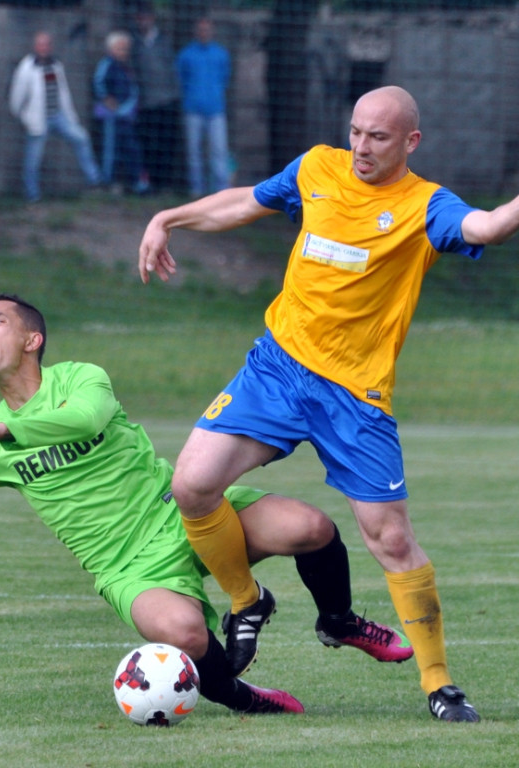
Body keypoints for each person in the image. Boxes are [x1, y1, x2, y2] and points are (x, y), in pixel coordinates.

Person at [0, 294, 413, 716]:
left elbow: (84, 420)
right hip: (127, 567)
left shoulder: (81, 379)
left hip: (181, 510)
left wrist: (8, 434)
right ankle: (242, 698)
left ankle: (337, 622)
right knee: (184, 633)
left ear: (32, 339)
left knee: (311, 526)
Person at [137, 85, 507, 722]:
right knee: (192, 485)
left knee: (390, 539)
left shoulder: (425, 206)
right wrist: (169, 217)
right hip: (277, 370)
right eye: (357, 132)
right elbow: (242, 203)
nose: (361, 147)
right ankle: (247, 600)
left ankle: (440, 684)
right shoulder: (317, 168)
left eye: (379, 137)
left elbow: (487, 226)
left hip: (354, 399)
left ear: (410, 142)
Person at [8, 31, 102, 203]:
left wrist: (71, 116)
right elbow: (17, 96)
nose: (44, 48)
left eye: (46, 44)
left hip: (58, 116)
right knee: (33, 159)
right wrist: (24, 117)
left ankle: (95, 180)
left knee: (81, 138)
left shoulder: (55, 65)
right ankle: (32, 195)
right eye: (40, 44)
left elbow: (64, 93)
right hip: (37, 119)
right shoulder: (27, 67)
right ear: (35, 47)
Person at [175, 18, 231, 197]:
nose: (204, 33)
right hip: (193, 110)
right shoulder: (186, 55)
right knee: (194, 152)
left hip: (216, 110)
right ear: (195, 32)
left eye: (207, 30)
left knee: (219, 151)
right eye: (200, 29)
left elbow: (225, 78)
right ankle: (197, 190)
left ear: (212, 31)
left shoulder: (221, 54)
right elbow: (180, 79)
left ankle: (223, 191)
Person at [93, 31, 150, 195]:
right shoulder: (106, 65)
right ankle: (108, 182)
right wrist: (106, 99)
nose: (124, 52)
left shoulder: (126, 67)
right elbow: (98, 83)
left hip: (127, 117)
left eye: (126, 49)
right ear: (111, 49)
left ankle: (139, 184)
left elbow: (132, 89)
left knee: (132, 149)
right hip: (112, 118)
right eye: (120, 48)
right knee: (111, 150)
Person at [131, 4, 180, 193]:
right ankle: (151, 183)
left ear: (152, 19)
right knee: (149, 145)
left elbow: (173, 70)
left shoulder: (164, 41)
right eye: (140, 18)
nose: (143, 21)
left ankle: (165, 183)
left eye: (146, 17)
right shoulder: (135, 42)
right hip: (146, 103)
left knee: (167, 142)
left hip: (167, 101)